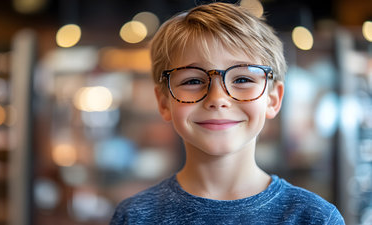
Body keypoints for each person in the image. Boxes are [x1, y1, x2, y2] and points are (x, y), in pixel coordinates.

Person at [110, 2, 345, 224]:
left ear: (273, 99)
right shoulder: (135, 216)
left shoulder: (314, 218)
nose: (218, 99)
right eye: (193, 80)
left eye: (243, 79)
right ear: (163, 102)